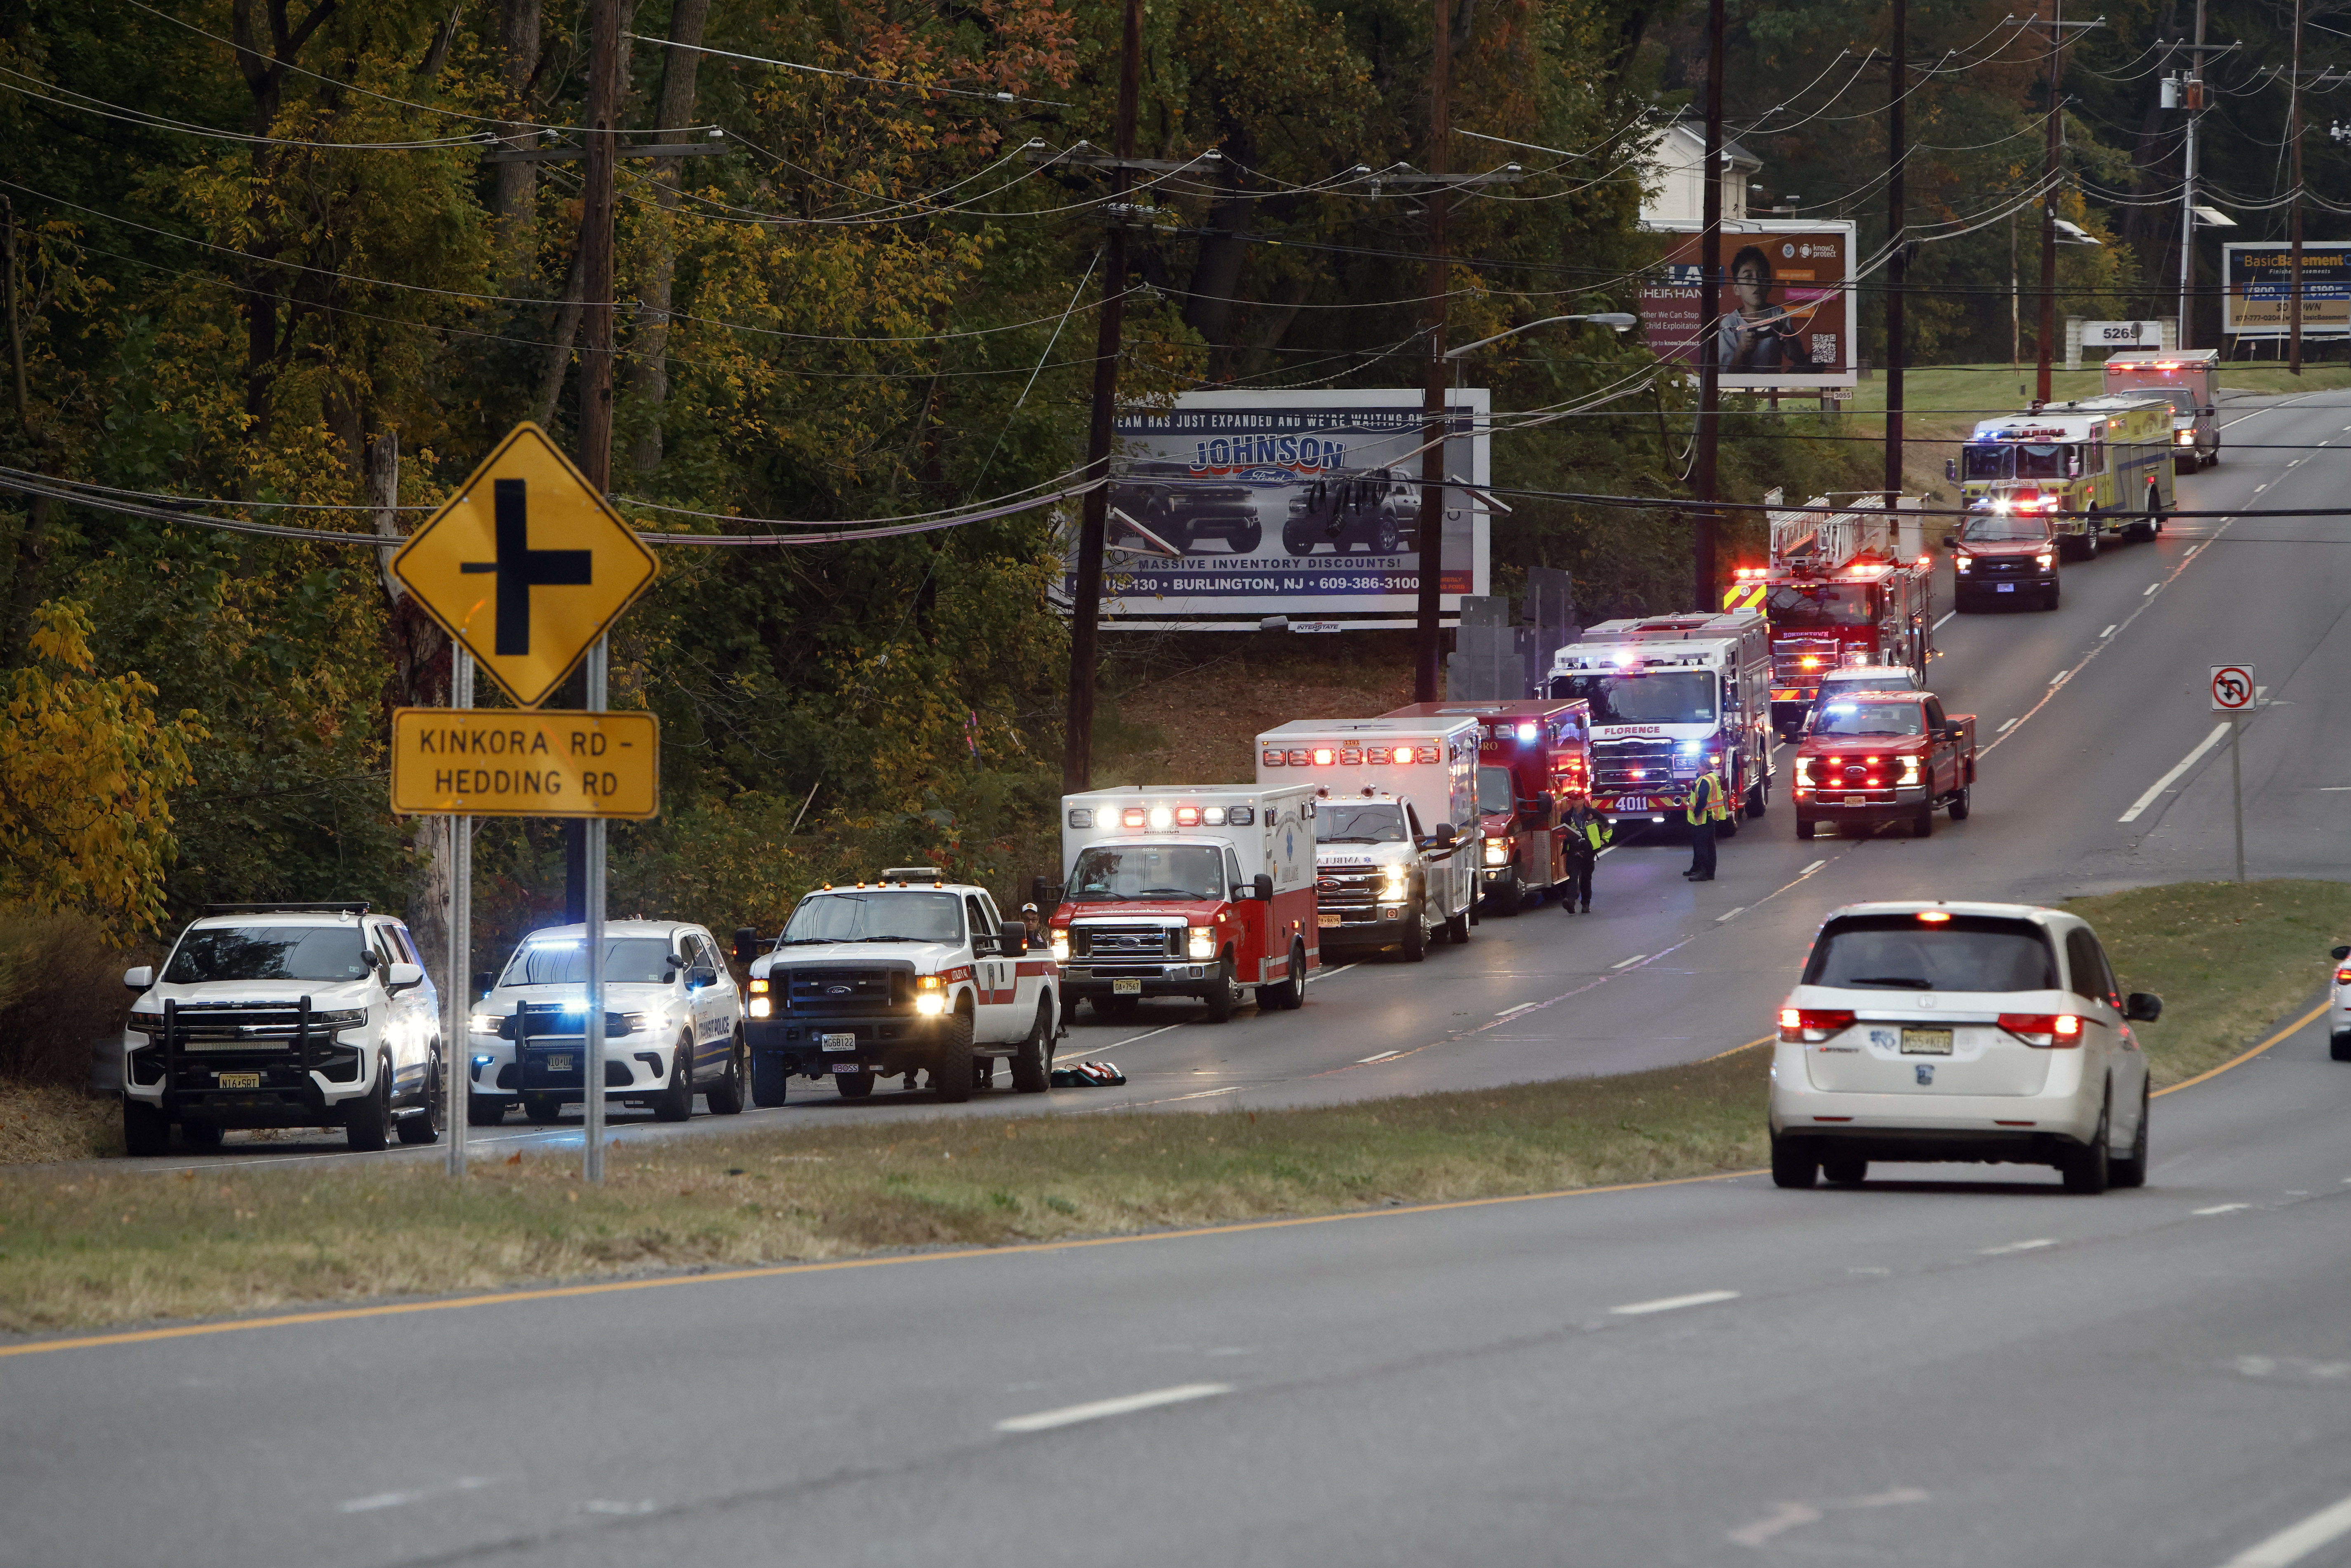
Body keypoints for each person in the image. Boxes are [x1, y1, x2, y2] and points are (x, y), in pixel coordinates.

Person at [1718, 245, 1814, 375]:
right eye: (1748, 277)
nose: (1756, 282)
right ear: (1736, 289)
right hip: (1740, 393)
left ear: (1769, 285)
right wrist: (1741, 351)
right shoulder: (1728, 324)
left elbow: (1799, 358)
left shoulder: (1778, 314)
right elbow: (1725, 377)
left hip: (1772, 388)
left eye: (1762, 276)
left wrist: (1788, 339)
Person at [1559, 791, 1611, 914]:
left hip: (1589, 849)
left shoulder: (1593, 814)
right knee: (1573, 875)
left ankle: (1586, 903)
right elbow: (1563, 832)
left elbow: (1607, 827)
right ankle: (1570, 901)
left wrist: (1604, 841)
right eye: (1573, 800)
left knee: (1586, 877)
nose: (1574, 802)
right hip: (1573, 848)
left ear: (1583, 800)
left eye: (1577, 799)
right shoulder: (1567, 817)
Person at [1684, 768, 1729, 882]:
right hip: (1710, 816)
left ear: (1705, 767)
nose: (1697, 768)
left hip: (1704, 817)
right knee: (1710, 845)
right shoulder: (1712, 777)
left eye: (1699, 766)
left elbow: (1703, 797)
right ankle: (1709, 873)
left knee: (1702, 845)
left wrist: (1697, 811)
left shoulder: (1705, 780)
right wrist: (1693, 786)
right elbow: (1702, 791)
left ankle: (1703, 872)